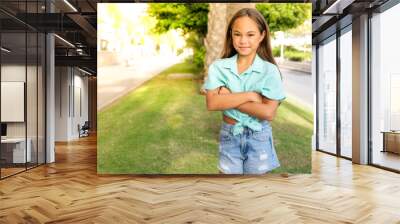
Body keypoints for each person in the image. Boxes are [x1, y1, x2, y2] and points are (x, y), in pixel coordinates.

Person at [202, 8, 286, 174]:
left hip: (259, 137)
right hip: (229, 135)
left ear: (262, 36)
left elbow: (268, 113)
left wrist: (228, 97)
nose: (243, 40)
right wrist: (250, 96)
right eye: (237, 34)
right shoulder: (219, 67)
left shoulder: (269, 71)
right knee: (228, 191)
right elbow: (212, 103)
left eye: (250, 34)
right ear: (231, 35)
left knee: (254, 191)